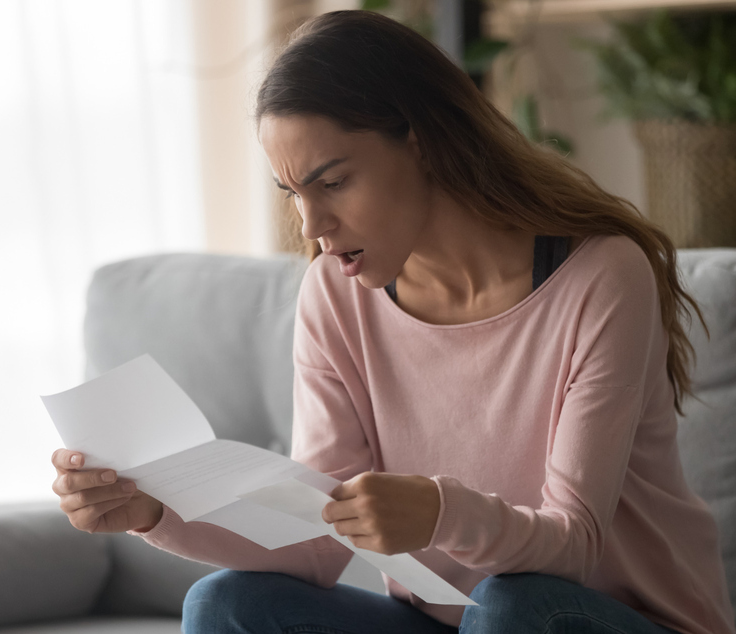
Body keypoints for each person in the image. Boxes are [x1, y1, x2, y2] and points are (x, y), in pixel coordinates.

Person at [50, 10, 735, 634]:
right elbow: (317, 540)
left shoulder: (598, 275)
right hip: (450, 623)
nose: (312, 226)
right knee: (225, 605)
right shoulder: (334, 294)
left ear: (423, 141)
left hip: (596, 618)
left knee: (511, 607)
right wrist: (151, 513)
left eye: (333, 181)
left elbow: (573, 542)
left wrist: (440, 514)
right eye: (292, 194)